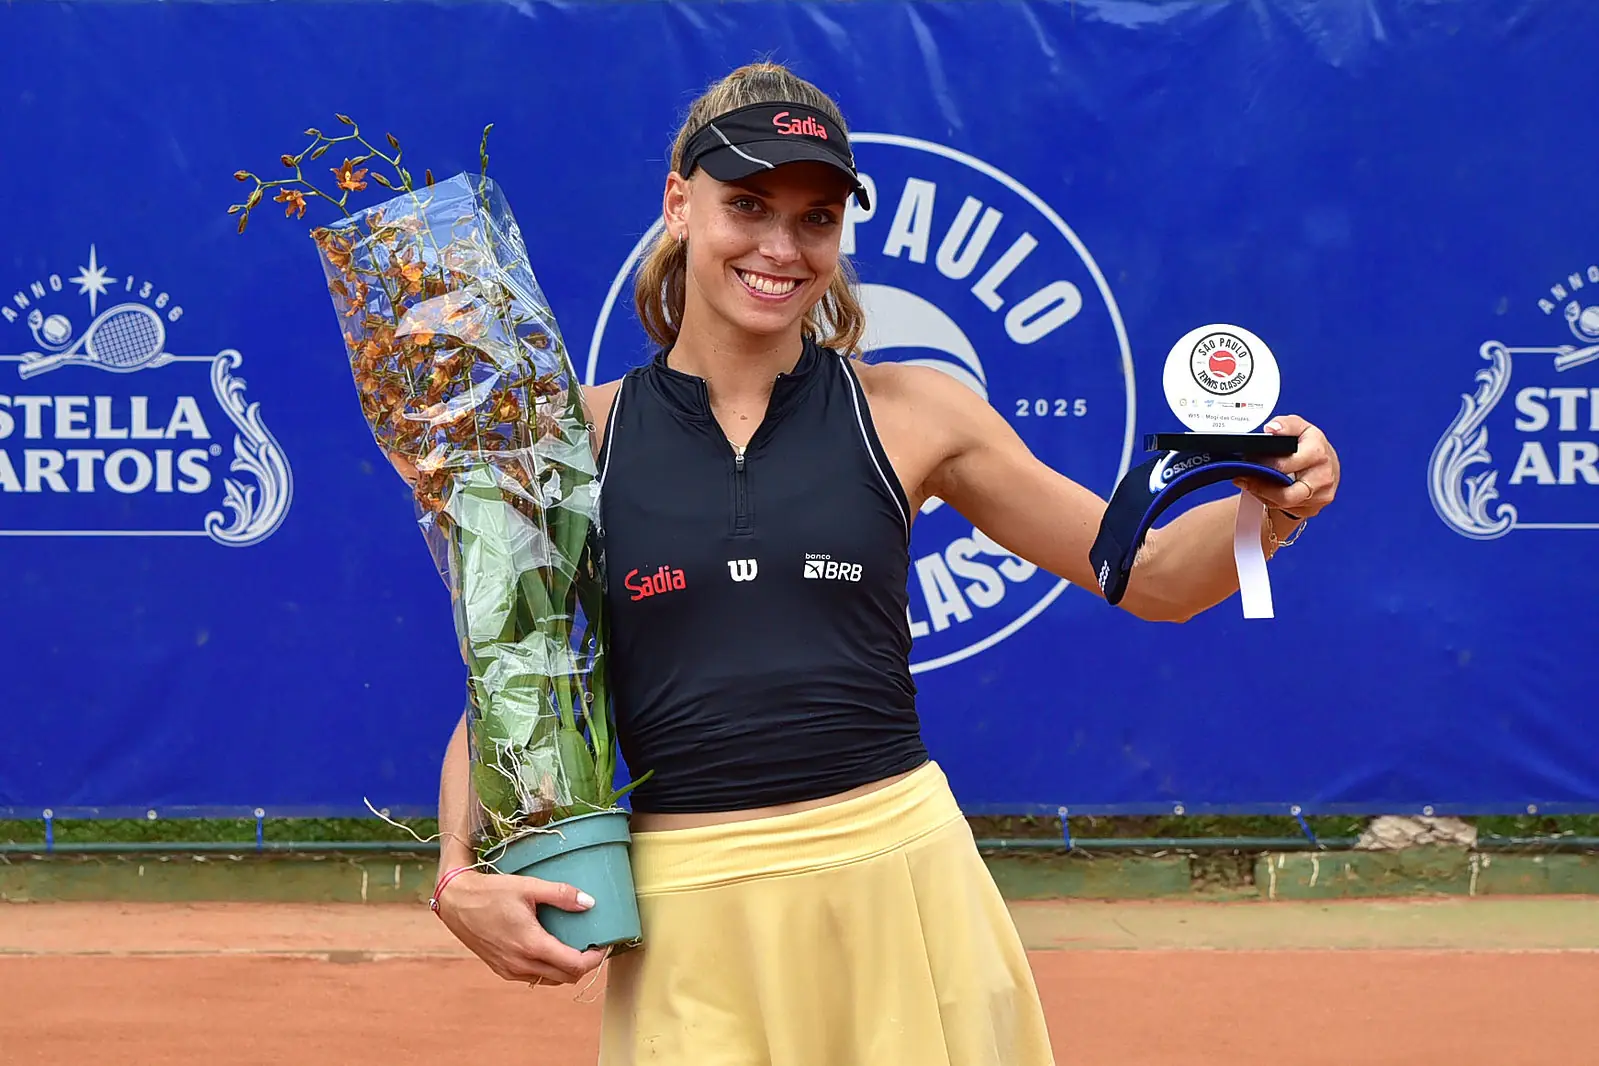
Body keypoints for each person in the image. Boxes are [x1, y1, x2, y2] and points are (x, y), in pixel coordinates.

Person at [429, 61, 1341, 1064]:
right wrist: (456, 873)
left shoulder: (918, 412)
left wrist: (1268, 509)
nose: (782, 247)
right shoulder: (573, 441)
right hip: (690, 911)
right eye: (748, 206)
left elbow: (1152, 576)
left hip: (904, 889)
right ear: (679, 205)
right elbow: (508, 689)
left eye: (815, 219)